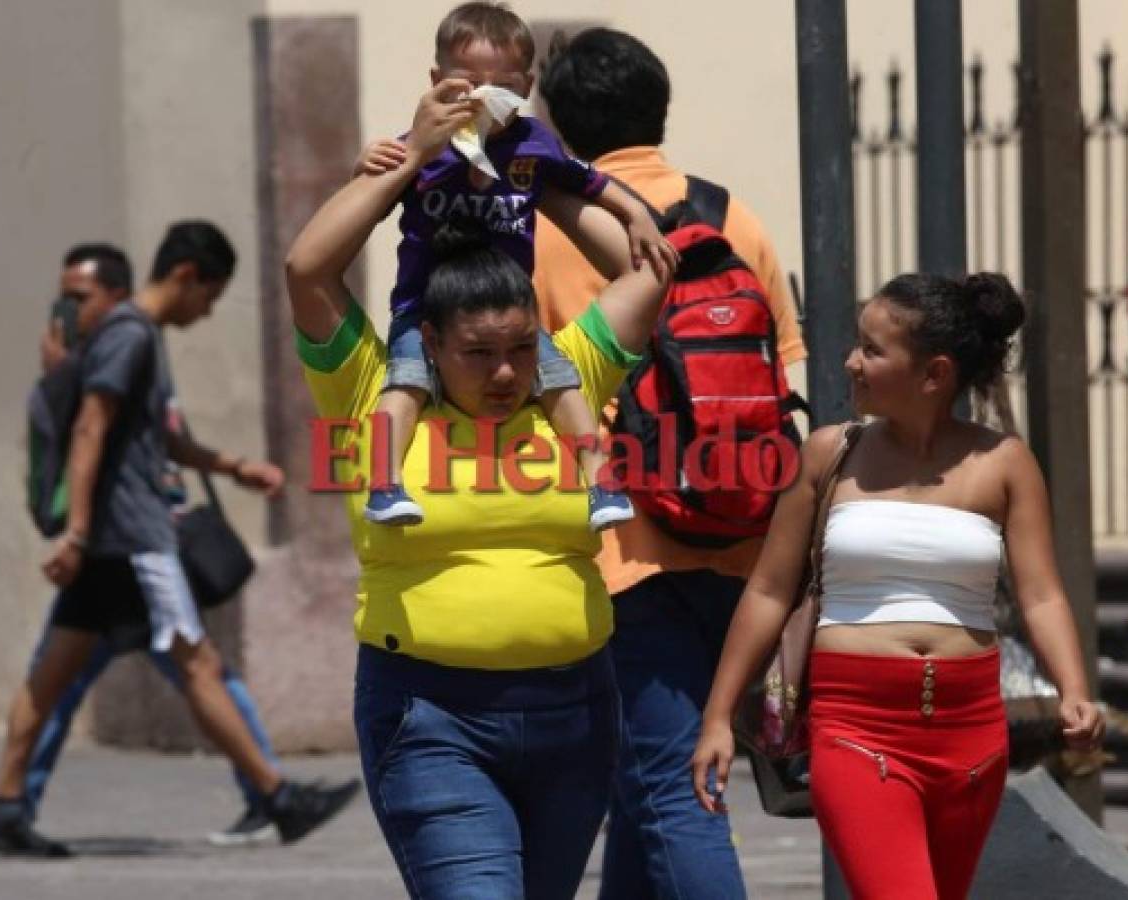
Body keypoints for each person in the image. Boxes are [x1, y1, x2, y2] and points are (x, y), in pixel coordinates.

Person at [285, 77, 674, 899]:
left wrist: (531, 174)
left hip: (576, 716)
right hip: (428, 718)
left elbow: (645, 270)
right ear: (428, 341)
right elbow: (307, 268)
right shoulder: (372, 386)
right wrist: (414, 159)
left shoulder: (571, 376)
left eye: (520, 349)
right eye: (477, 353)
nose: (505, 372)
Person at [693, 273, 1105, 899]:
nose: (850, 361)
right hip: (856, 728)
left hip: (973, 739)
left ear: (933, 374)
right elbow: (770, 590)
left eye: (872, 349)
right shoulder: (831, 454)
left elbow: (1041, 592)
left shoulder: (1003, 463)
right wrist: (719, 716)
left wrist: (1074, 689)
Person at [0, 222, 359, 858]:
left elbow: (147, 437)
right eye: (212, 295)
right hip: (135, 540)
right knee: (198, 665)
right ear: (186, 276)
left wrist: (230, 467)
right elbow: (92, 427)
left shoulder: (125, 337)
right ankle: (277, 798)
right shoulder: (131, 335)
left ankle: (7, 804)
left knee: (50, 677)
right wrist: (80, 532)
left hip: (107, 544)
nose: (208, 310)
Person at [533, 28, 807, 898]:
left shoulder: (550, 230)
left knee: (670, 785)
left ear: (561, 124)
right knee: (645, 783)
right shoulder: (733, 216)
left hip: (624, 549)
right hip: (737, 530)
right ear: (660, 109)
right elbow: (782, 368)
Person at [350, 1, 674, 533]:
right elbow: (365, 191)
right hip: (423, 309)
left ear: (525, 87)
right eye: (466, 82)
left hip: (510, 312)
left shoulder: (532, 144)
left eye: (500, 84)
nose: (483, 96)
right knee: (402, 385)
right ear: (436, 82)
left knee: (562, 382)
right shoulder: (423, 145)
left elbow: (588, 180)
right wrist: (374, 162)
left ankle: (599, 482)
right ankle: (385, 484)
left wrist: (636, 214)